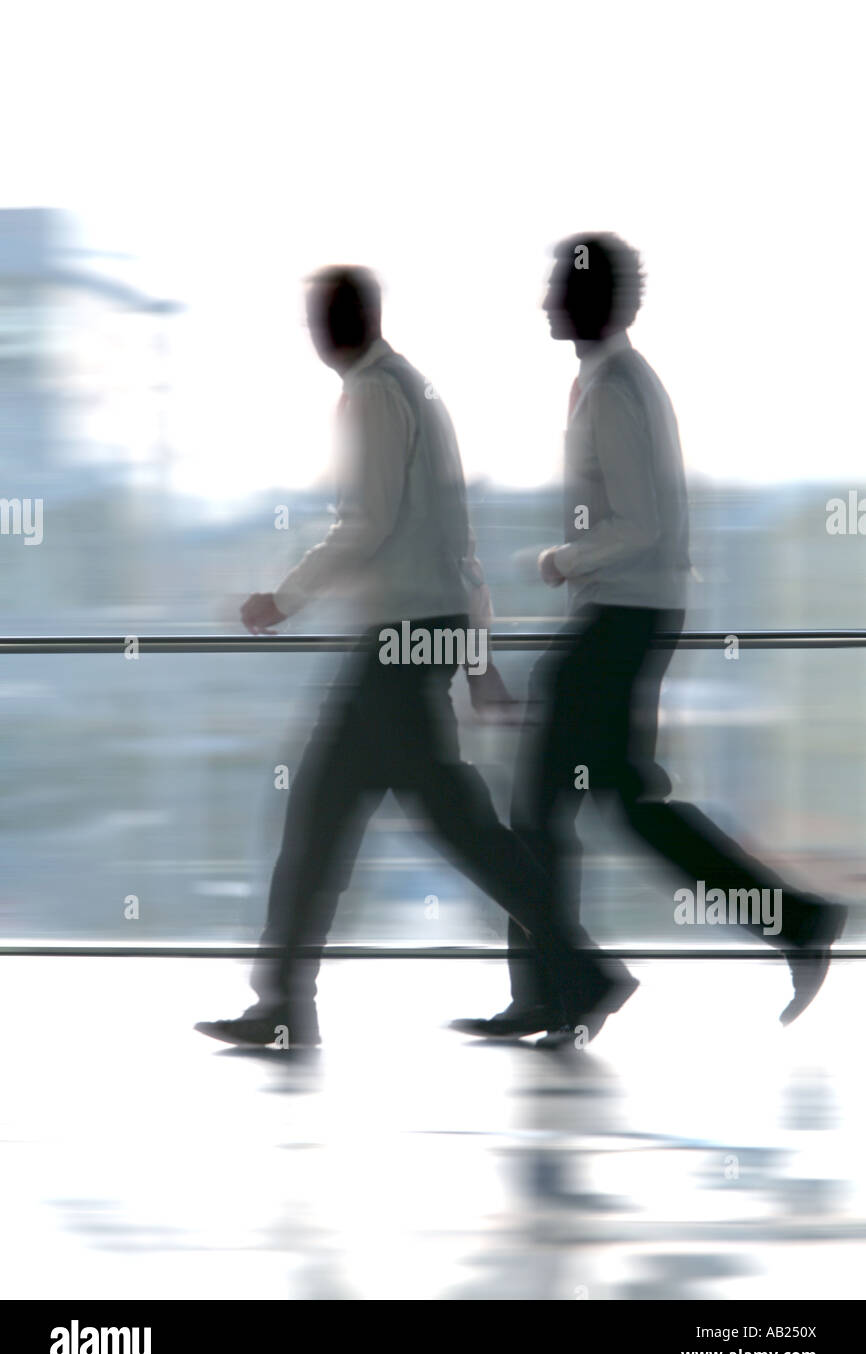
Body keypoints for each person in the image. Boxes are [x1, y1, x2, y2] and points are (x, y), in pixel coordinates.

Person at [196, 264, 631, 1049]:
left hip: (394, 647)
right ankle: (580, 968)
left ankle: (286, 1001)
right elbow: (456, 545)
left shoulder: (373, 396)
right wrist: (475, 659)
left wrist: (281, 599)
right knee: (398, 821)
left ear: (337, 325)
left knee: (336, 819)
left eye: (318, 318)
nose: (315, 332)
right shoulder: (414, 392)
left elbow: (364, 526)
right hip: (417, 641)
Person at [452, 233, 845, 1044]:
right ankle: (793, 923)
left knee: (539, 812)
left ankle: (565, 989)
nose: (545, 299)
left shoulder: (618, 387)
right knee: (627, 806)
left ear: (593, 299)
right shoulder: (609, 380)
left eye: (559, 284)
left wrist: (562, 559)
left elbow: (643, 524)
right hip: (630, 617)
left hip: (618, 618)